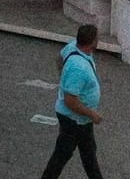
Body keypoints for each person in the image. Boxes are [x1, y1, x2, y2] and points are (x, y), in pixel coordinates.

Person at [36, 25, 103, 179]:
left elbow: (60, 58)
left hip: (79, 120)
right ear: (92, 42)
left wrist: (63, 79)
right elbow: (70, 101)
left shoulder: (73, 46)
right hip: (74, 120)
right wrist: (92, 114)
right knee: (63, 154)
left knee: (87, 152)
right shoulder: (78, 68)